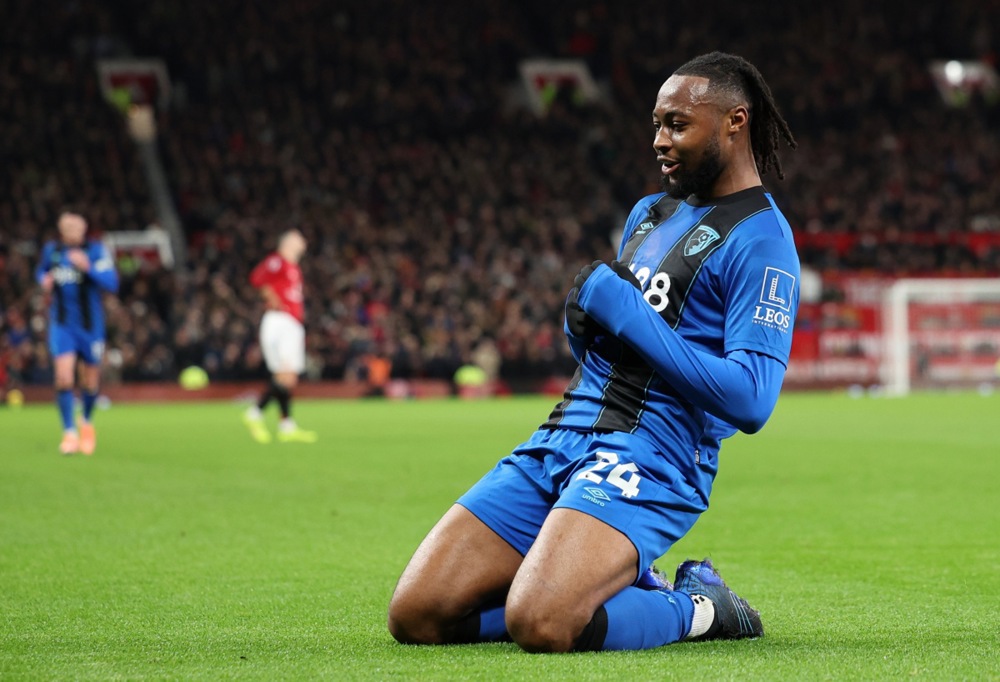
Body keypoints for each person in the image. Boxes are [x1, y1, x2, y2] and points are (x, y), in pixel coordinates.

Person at [387, 51, 800, 653]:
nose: (659, 141)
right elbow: (613, 351)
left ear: (735, 122)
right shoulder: (649, 213)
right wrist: (581, 326)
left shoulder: (763, 240)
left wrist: (629, 315)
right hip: (562, 436)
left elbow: (752, 399)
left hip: (654, 453)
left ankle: (701, 607)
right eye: (656, 124)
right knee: (417, 615)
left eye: (678, 125)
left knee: (542, 622)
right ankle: (602, 584)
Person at [36, 211, 119, 455]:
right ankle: (69, 432)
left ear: (83, 230)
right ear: (62, 230)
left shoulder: (95, 251)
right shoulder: (52, 251)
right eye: (68, 228)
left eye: (77, 228)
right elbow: (41, 271)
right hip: (62, 324)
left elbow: (112, 283)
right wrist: (44, 279)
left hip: (90, 326)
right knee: (63, 377)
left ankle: (86, 421)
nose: (73, 232)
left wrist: (87, 267)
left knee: (90, 382)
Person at [242, 229, 318, 443]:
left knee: (284, 377)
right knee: (287, 375)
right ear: (287, 243)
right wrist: (273, 300)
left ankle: (286, 426)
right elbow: (257, 279)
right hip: (282, 322)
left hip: (287, 322)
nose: (303, 241)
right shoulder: (277, 261)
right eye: (298, 238)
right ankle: (255, 413)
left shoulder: (292, 267)